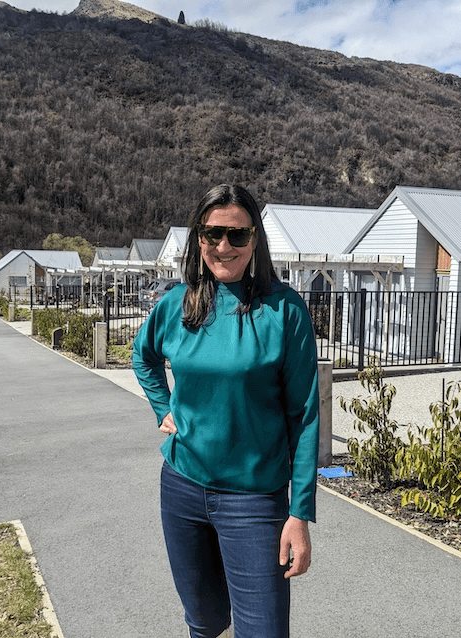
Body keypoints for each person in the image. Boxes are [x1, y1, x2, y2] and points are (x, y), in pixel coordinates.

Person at [132, 184, 320, 638]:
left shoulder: (284, 311)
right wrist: (162, 407)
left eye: (237, 235)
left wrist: (300, 512)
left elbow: (306, 416)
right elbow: (144, 357)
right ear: (198, 238)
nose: (224, 247)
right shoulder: (176, 304)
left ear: (255, 239)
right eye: (213, 234)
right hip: (181, 488)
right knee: (206, 622)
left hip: (254, 500)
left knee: (263, 631)